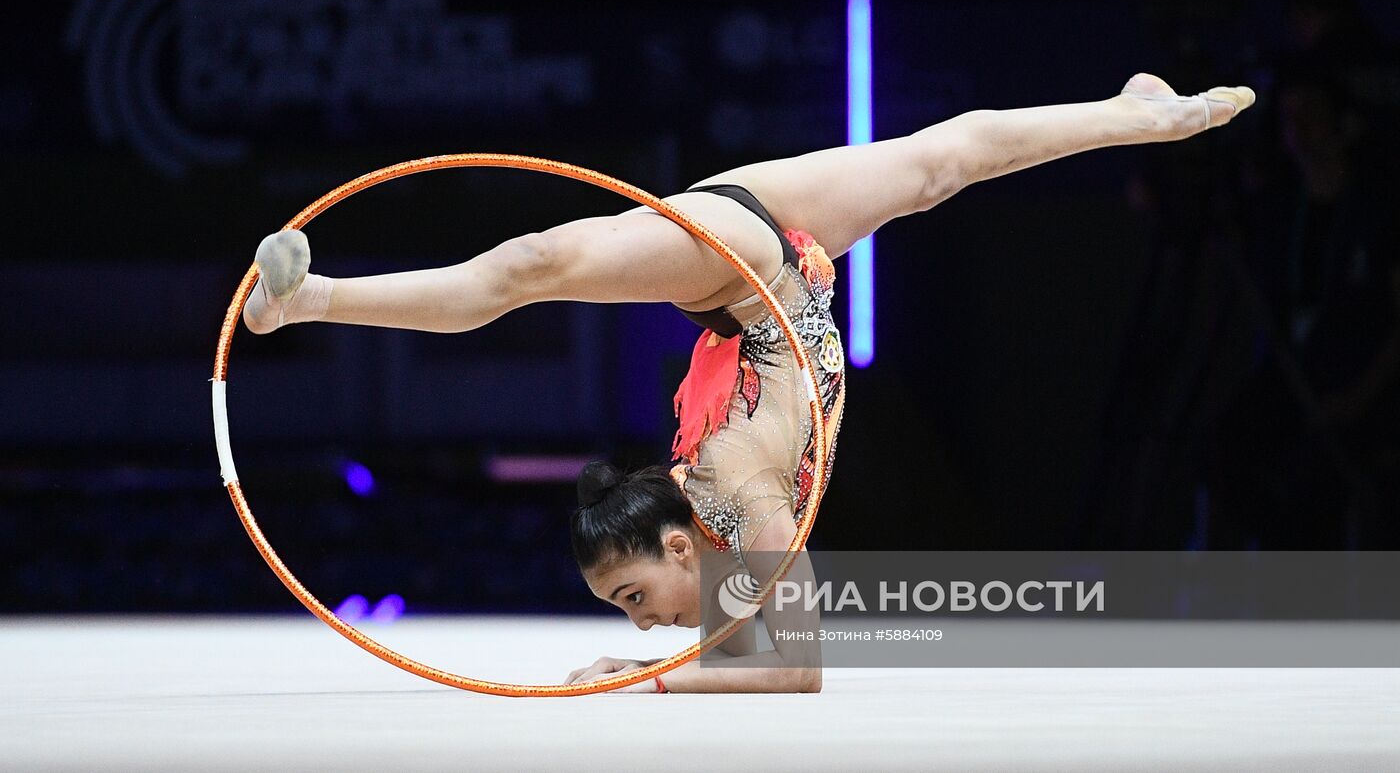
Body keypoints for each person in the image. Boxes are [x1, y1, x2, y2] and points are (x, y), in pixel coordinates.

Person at [243, 73, 1254, 692]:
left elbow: (790, 667)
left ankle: (311, 299)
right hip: (782, 254)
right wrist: (664, 663)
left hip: (736, 269)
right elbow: (777, 655)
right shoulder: (721, 526)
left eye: (637, 595)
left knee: (530, 269)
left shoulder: (729, 486)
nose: (643, 622)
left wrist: (646, 678)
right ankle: (1130, 113)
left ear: (680, 541)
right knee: (942, 163)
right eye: (628, 613)